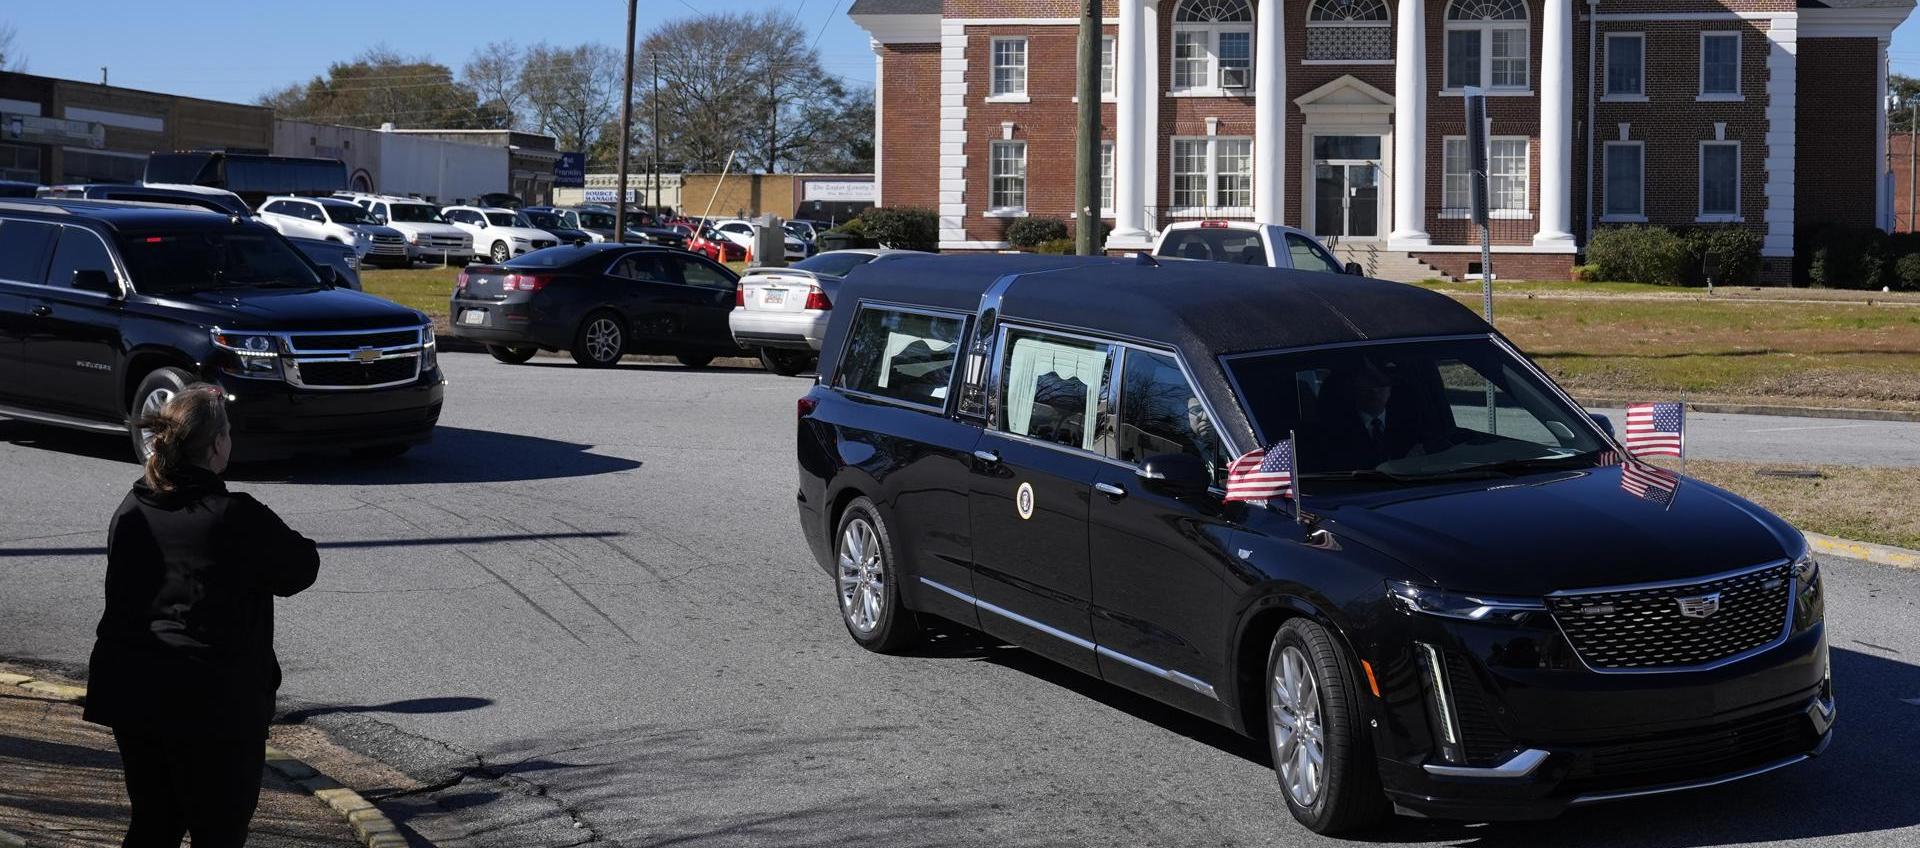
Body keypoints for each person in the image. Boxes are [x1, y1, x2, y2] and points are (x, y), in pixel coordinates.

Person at [82, 384, 319, 848]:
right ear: (216, 446)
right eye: (226, 432)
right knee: (219, 831)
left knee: (154, 822)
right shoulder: (233, 516)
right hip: (211, 703)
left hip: (134, 691)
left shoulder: (132, 508)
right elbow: (300, 568)